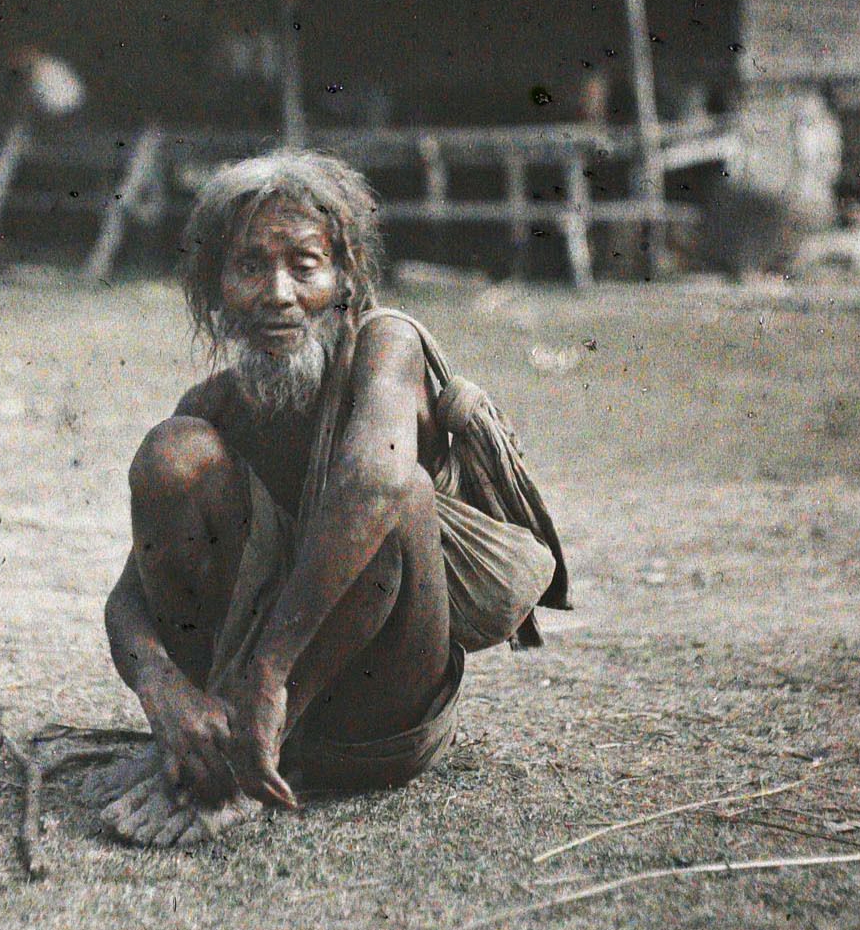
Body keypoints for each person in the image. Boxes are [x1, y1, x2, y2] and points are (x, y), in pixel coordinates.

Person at [100, 150, 566, 849]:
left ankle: (247, 757)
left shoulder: (386, 345)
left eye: (305, 265)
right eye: (249, 266)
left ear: (346, 278)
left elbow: (374, 484)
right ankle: (224, 746)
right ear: (216, 287)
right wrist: (161, 687)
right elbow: (127, 598)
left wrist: (270, 672)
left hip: (375, 720)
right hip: (244, 707)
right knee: (172, 452)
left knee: (397, 491)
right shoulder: (214, 406)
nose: (278, 293)